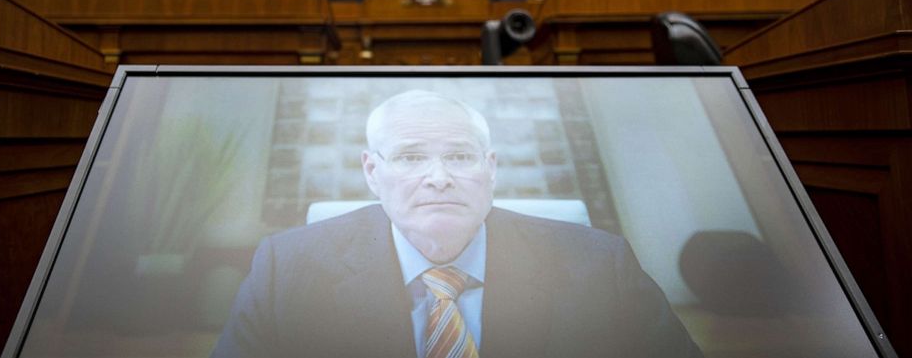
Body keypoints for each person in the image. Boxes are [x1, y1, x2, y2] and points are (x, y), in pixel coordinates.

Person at [213, 90, 703, 358]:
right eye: (409, 157)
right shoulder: (286, 268)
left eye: (460, 156)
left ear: (490, 169)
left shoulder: (600, 265)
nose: (439, 179)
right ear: (371, 172)